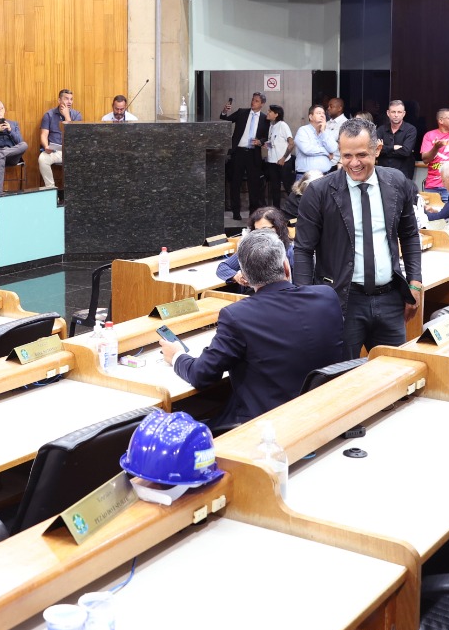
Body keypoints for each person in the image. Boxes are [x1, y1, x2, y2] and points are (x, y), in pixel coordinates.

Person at [160, 229, 344, 429]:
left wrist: (177, 356)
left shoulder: (237, 316)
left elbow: (202, 375)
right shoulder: (326, 296)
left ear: (245, 278)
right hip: (325, 413)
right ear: (286, 266)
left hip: (267, 425)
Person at [293, 118, 424, 357]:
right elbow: (303, 249)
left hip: (390, 299)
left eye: (362, 155)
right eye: (347, 156)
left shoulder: (396, 182)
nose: (354, 163)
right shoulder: (319, 192)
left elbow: (409, 235)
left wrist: (414, 282)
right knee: (341, 374)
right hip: (341, 301)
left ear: (377, 149)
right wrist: (305, 300)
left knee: (393, 371)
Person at [215, 206, 294, 284]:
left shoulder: (291, 252)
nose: (260, 234)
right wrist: (237, 276)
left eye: (265, 229)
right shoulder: (249, 250)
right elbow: (222, 268)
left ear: (278, 228)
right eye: (256, 231)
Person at [220, 92, 270, 214]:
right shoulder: (242, 112)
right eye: (253, 99)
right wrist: (224, 111)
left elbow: (266, 137)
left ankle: (252, 212)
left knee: (254, 184)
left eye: (256, 101)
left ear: (262, 104)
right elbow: (225, 119)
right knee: (235, 182)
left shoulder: (265, 119)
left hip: (253, 153)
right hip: (238, 152)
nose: (253, 102)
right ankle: (236, 211)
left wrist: (260, 141)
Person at [38, 89, 82, 188]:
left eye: (71, 99)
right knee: (42, 159)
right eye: (66, 99)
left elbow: (73, 135)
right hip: (55, 151)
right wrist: (46, 146)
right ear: (59, 100)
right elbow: (43, 135)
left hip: (71, 151)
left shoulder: (77, 115)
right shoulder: (49, 115)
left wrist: (67, 116)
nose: (69, 102)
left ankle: (73, 190)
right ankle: (51, 188)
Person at [376, 100, 418, 182]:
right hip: (383, 176)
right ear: (388, 113)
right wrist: (393, 147)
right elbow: (376, 150)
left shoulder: (410, 130)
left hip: (403, 176)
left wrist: (384, 149)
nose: (396, 115)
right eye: (393, 112)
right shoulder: (381, 130)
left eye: (399, 112)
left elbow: (406, 152)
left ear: (404, 114)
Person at [263, 104, 293, 211]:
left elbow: (291, 143)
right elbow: (274, 143)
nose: (267, 113)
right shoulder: (271, 126)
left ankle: (295, 210)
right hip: (272, 162)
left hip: (284, 162)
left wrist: (283, 158)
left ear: (276, 114)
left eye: (270, 111)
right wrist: (264, 144)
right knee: (274, 188)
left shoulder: (283, 125)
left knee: (288, 187)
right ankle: (276, 211)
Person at [293, 103, 334, 176]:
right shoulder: (303, 130)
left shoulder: (327, 132)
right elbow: (307, 149)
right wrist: (326, 152)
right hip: (306, 176)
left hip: (326, 175)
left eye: (323, 113)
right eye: (318, 113)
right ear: (311, 117)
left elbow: (332, 148)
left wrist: (323, 132)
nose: (322, 115)